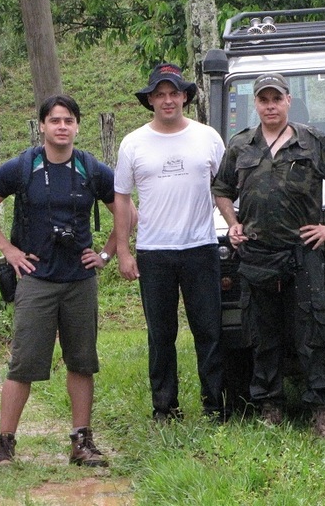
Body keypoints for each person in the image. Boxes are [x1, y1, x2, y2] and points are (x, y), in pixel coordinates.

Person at [0, 94, 123, 467]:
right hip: (36, 279)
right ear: (42, 126)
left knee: (82, 362)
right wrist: (9, 250)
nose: (62, 127)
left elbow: (125, 209)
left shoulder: (91, 168)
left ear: (77, 126)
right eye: (55, 120)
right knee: (23, 365)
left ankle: (82, 443)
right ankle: (4, 444)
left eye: (68, 120)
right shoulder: (24, 166)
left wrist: (106, 254)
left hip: (79, 279)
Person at [212, 72, 325, 438]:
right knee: (262, 336)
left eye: (276, 99)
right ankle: (270, 406)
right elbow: (220, 188)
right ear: (256, 104)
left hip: (302, 255)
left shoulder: (312, 141)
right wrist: (232, 222)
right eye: (263, 99)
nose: (270, 105)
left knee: (311, 335)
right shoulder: (240, 145)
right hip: (256, 255)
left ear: (287, 102)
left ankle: (320, 411)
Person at [113, 63, 227, 422]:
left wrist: (235, 225)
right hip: (154, 251)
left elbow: (224, 189)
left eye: (174, 93)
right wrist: (123, 251)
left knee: (208, 329)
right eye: (159, 94)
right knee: (161, 334)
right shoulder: (133, 143)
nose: (167, 100)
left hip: (201, 246)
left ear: (185, 97)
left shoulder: (208, 137)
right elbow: (121, 198)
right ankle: (165, 406)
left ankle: (215, 405)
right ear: (150, 100)